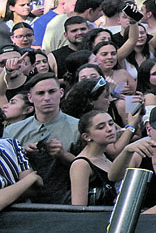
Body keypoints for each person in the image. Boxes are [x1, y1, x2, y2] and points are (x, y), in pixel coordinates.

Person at [8, 72, 79, 204]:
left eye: (52, 92)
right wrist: (20, 153)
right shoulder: (12, 131)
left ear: (61, 93)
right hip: (22, 203)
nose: (47, 98)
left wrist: (63, 155)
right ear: (30, 97)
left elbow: (92, 170)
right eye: (40, 93)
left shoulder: (78, 128)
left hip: (65, 200)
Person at [68, 110, 118, 206]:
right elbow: (79, 207)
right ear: (86, 137)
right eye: (101, 127)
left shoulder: (105, 155)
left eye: (111, 124)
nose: (109, 129)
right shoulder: (81, 164)